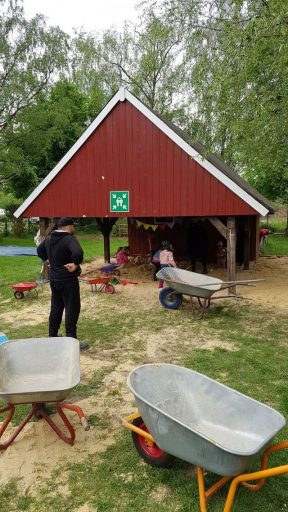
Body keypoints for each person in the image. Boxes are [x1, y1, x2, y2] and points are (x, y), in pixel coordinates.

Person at [37, 217, 89, 350]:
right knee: (72, 308)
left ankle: (52, 336)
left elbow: (39, 250)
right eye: (73, 226)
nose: (74, 228)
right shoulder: (69, 239)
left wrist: (47, 260)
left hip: (54, 279)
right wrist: (75, 264)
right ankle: (71, 340)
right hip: (68, 279)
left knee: (56, 306)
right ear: (68, 226)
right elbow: (78, 252)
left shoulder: (48, 238)